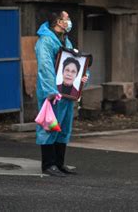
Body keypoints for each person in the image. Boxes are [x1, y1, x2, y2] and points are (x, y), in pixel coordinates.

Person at [35, 11, 88, 177]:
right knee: (50, 126)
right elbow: (45, 67)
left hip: (65, 93)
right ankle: (48, 164)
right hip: (52, 92)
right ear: (58, 22)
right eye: (67, 19)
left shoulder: (64, 40)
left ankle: (59, 163)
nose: (69, 22)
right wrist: (51, 91)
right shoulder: (45, 41)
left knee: (64, 126)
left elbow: (75, 61)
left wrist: (82, 78)